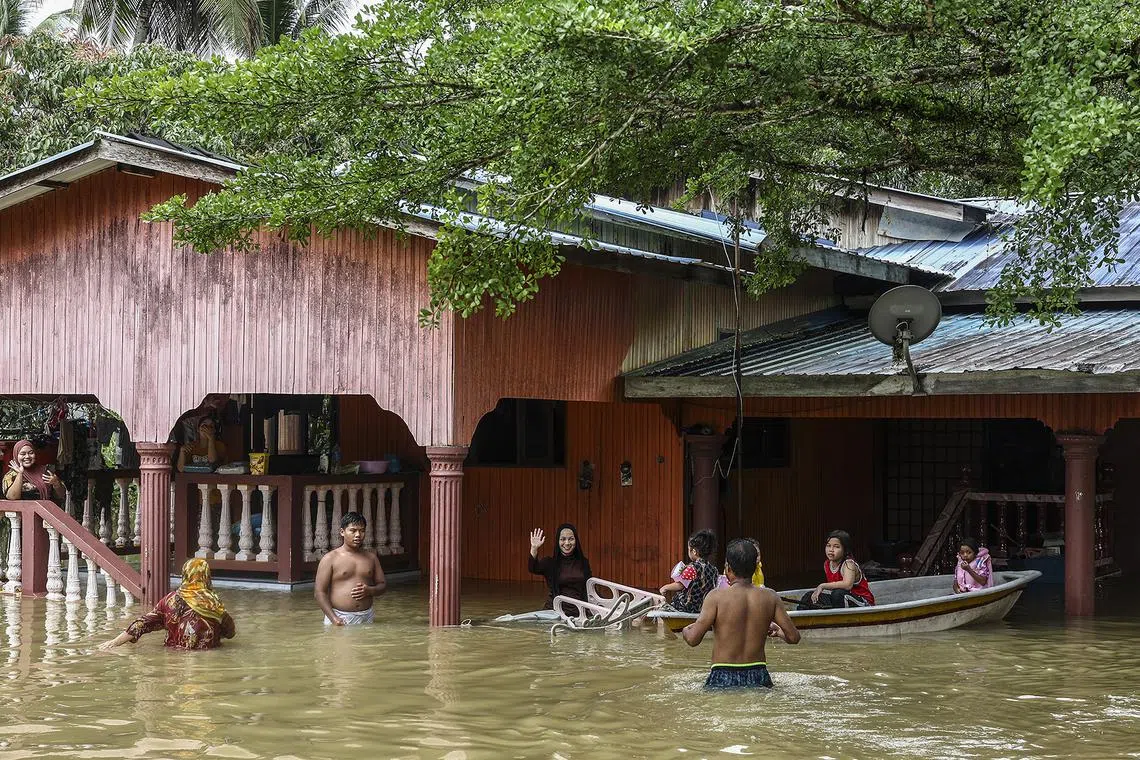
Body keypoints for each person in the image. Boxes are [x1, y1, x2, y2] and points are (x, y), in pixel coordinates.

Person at [682, 538, 800, 689]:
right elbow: (794, 637)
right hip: (758, 674)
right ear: (755, 567)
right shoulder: (771, 596)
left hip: (723, 674)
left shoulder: (715, 596)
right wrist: (778, 632)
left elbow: (693, 640)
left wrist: (686, 630)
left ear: (728, 568)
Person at [99, 558, 235, 650]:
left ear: (185, 575)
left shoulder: (170, 601)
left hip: (173, 660)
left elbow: (142, 623)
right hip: (207, 664)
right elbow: (230, 633)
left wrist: (113, 643)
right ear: (206, 577)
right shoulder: (214, 604)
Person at [315, 511, 387, 625]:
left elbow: (382, 585)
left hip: (366, 616)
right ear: (342, 532)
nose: (358, 535)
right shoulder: (330, 559)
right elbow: (319, 592)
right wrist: (334, 619)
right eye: (353, 531)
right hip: (339, 617)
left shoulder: (371, 558)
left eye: (362, 530)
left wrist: (369, 590)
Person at [800, 530, 875, 609]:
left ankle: (838, 619)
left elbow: (847, 585)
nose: (831, 549)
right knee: (810, 596)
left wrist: (822, 585)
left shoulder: (848, 564)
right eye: (828, 546)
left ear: (845, 550)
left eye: (836, 546)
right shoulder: (827, 564)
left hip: (862, 602)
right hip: (839, 599)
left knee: (838, 594)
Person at [528, 523, 592, 609]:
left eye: (571, 539)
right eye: (563, 539)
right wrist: (534, 548)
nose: (567, 543)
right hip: (555, 611)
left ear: (576, 540)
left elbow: (590, 587)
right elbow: (533, 568)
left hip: (579, 612)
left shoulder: (583, 562)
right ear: (558, 541)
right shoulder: (550, 563)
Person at [659, 529, 720, 613]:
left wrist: (665, 587)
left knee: (672, 600)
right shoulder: (714, 570)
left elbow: (681, 585)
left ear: (694, 551)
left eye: (689, 549)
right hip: (704, 608)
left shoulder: (692, 568)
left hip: (687, 607)